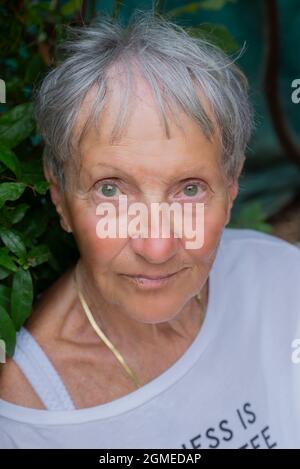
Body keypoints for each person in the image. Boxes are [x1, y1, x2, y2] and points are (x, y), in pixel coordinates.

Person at [0, 10, 299, 449]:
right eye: (111, 191)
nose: (157, 248)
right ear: (60, 194)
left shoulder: (283, 281)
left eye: (190, 189)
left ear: (232, 185)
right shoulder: (27, 418)